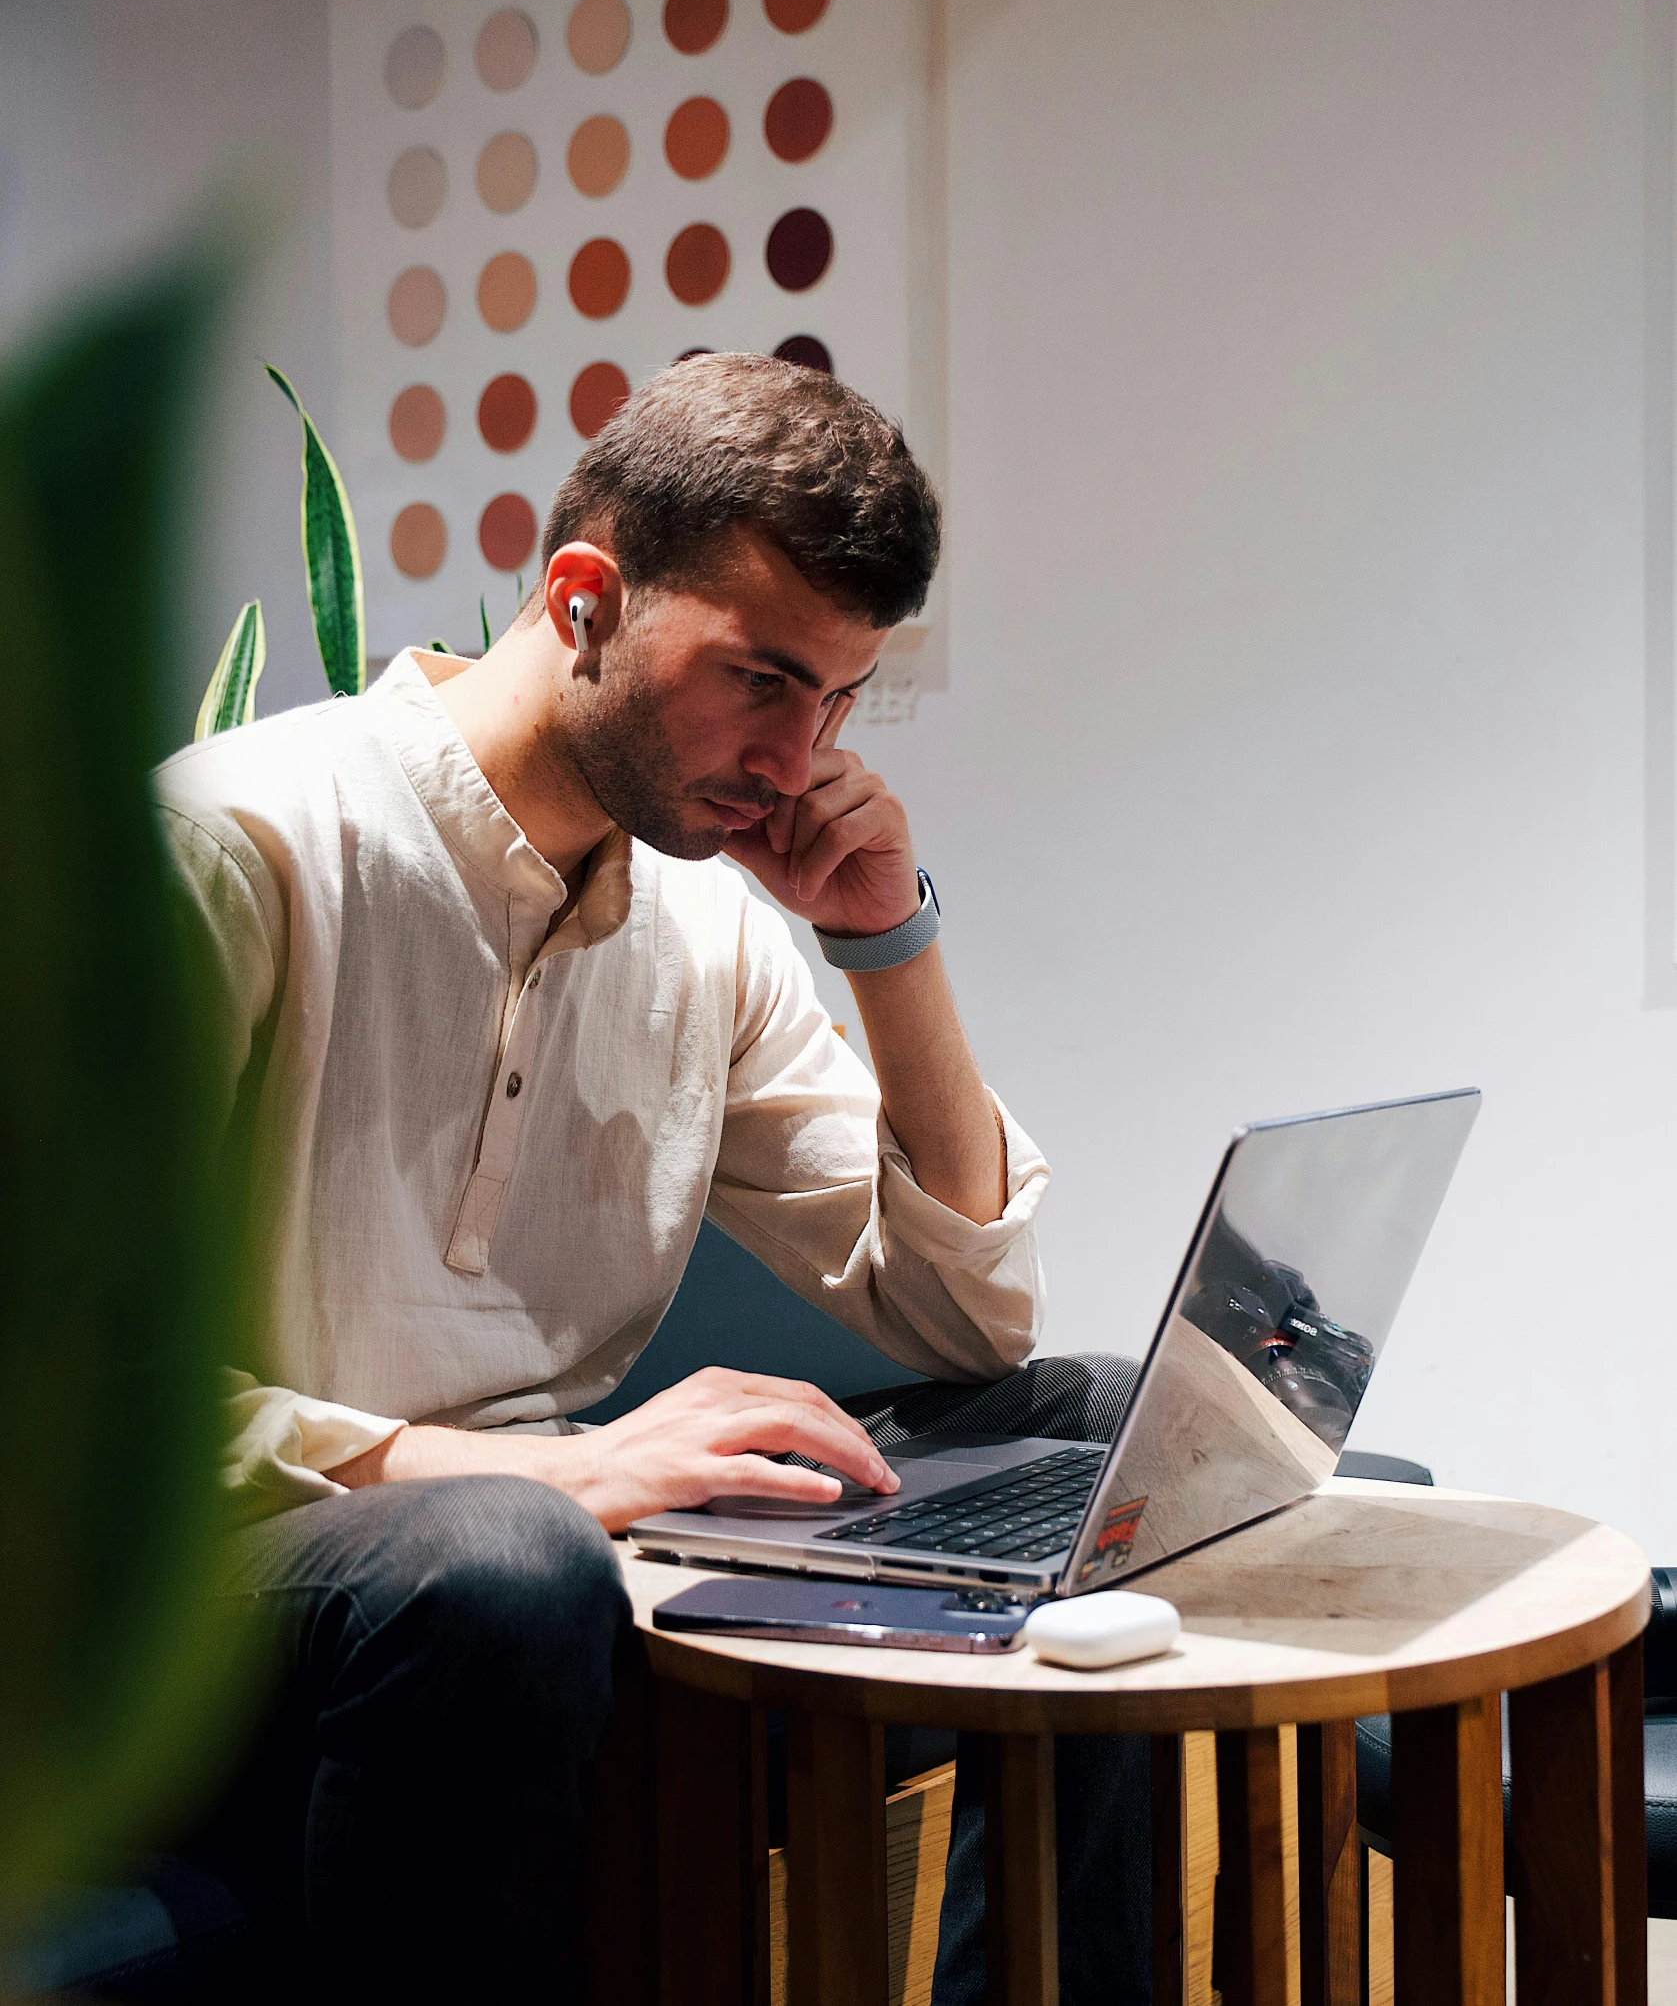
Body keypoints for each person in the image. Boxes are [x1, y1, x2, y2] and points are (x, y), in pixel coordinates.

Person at [158, 353, 1149, 2005]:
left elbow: (967, 1319)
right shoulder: (233, 845)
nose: (799, 755)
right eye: (762, 680)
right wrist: (545, 1481)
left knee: (1104, 1419)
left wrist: (885, 938)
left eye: (839, 701)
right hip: (231, 1585)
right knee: (498, 1564)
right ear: (584, 601)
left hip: (549, 1562)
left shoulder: (702, 931)